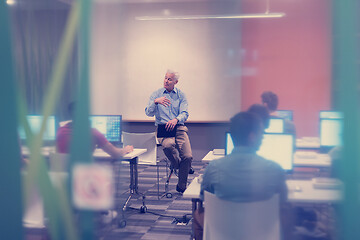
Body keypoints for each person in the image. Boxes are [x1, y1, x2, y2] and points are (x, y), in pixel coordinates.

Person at [193, 112, 291, 240]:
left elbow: (203, 198)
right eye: (261, 134)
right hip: (261, 233)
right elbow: (282, 203)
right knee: (287, 213)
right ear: (252, 136)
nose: (263, 138)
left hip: (224, 233)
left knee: (197, 213)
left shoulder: (213, 168)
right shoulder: (275, 169)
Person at [145, 69, 193, 193]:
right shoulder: (156, 94)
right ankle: (178, 165)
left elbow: (184, 113)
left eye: (169, 79)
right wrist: (155, 102)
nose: (166, 81)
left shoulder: (181, 95)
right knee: (168, 145)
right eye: (165, 78)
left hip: (179, 127)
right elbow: (148, 113)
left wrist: (176, 119)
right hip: (163, 128)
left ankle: (181, 185)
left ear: (175, 82)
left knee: (187, 156)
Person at [56, 102, 133, 158]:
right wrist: (126, 149)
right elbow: (116, 154)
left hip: (63, 177)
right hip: (83, 176)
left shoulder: (60, 131)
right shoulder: (93, 133)